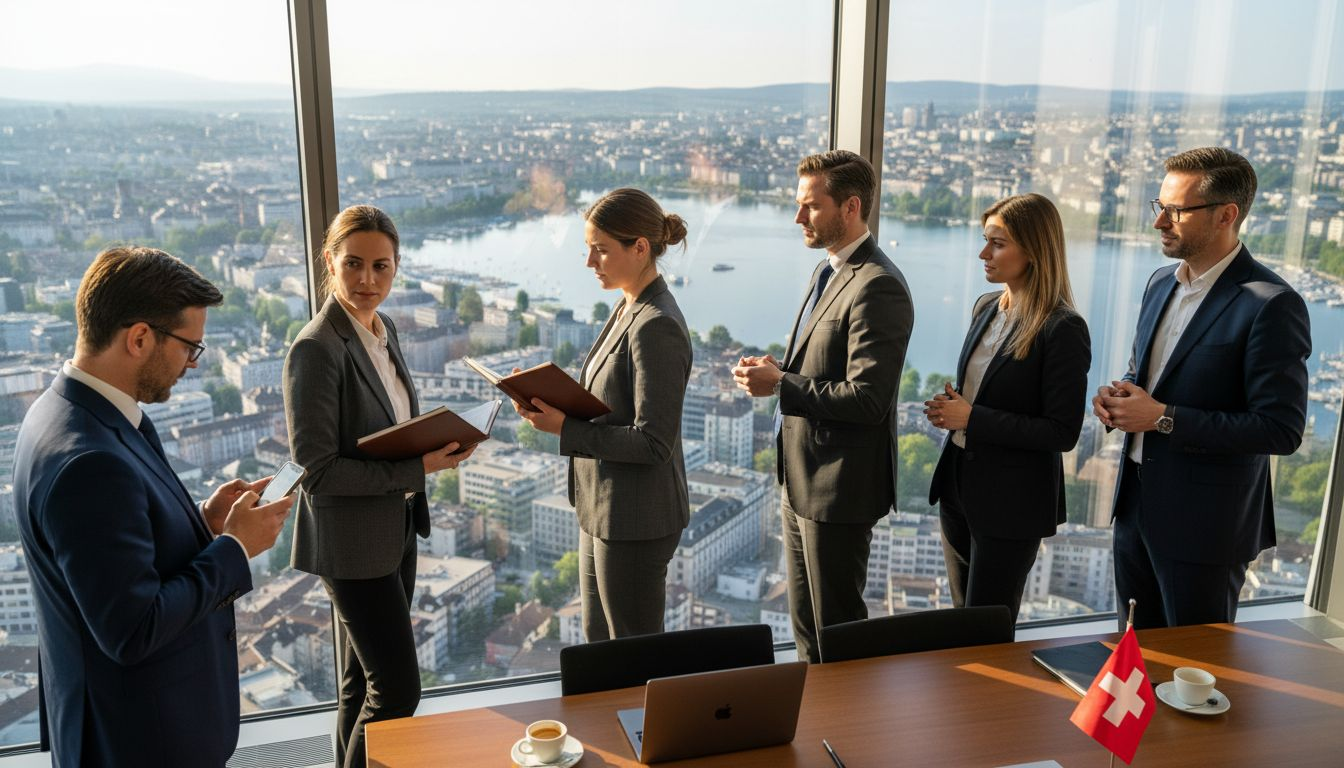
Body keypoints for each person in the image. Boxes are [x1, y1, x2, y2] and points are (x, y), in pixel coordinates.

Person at [13, 246, 294, 767]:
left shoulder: (67, 413)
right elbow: (132, 628)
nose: (193, 363)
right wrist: (235, 548)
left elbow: (112, 560)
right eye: (190, 347)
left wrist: (202, 524)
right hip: (141, 741)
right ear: (140, 338)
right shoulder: (90, 462)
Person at [284, 205, 474, 768]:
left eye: (381, 266)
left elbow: (387, 427)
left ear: (396, 267)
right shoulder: (316, 348)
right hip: (352, 544)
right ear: (329, 263)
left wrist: (435, 444)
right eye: (354, 264)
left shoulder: (380, 329)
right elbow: (316, 471)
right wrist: (420, 469)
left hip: (395, 529)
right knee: (396, 690)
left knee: (360, 685)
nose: (368, 279)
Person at [1092, 147, 1311, 629]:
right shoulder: (1159, 284)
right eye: (1160, 206)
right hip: (1133, 511)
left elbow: (1280, 430)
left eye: (1176, 211)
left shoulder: (1272, 304)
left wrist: (1162, 418)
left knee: (1200, 666)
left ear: (1226, 216)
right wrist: (1119, 399)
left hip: (1206, 529)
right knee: (1135, 658)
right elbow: (1144, 376)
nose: (1159, 222)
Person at [732, 150, 913, 663]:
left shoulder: (878, 285)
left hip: (838, 488)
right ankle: (816, 709)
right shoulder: (827, 270)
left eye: (810, 206)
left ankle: (847, 713)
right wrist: (779, 370)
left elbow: (869, 399)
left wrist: (781, 385)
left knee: (837, 632)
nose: (798, 217)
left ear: (850, 207)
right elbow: (823, 365)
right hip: (801, 479)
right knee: (806, 629)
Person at [515, 188, 692, 641]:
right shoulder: (627, 304)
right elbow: (611, 403)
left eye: (601, 250)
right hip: (602, 509)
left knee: (630, 653)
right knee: (600, 645)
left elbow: (654, 442)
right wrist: (547, 403)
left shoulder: (657, 324)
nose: (590, 262)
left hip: (635, 519)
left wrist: (565, 428)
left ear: (640, 248)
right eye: (588, 249)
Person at [923, 193, 1091, 623]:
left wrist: (971, 418)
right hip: (958, 485)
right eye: (986, 241)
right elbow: (985, 393)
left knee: (987, 625)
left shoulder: (1063, 328)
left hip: (1012, 502)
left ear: (1033, 250)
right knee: (962, 619)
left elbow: (1062, 431)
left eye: (997, 244)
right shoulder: (986, 307)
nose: (984, 253)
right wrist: (953, 409)